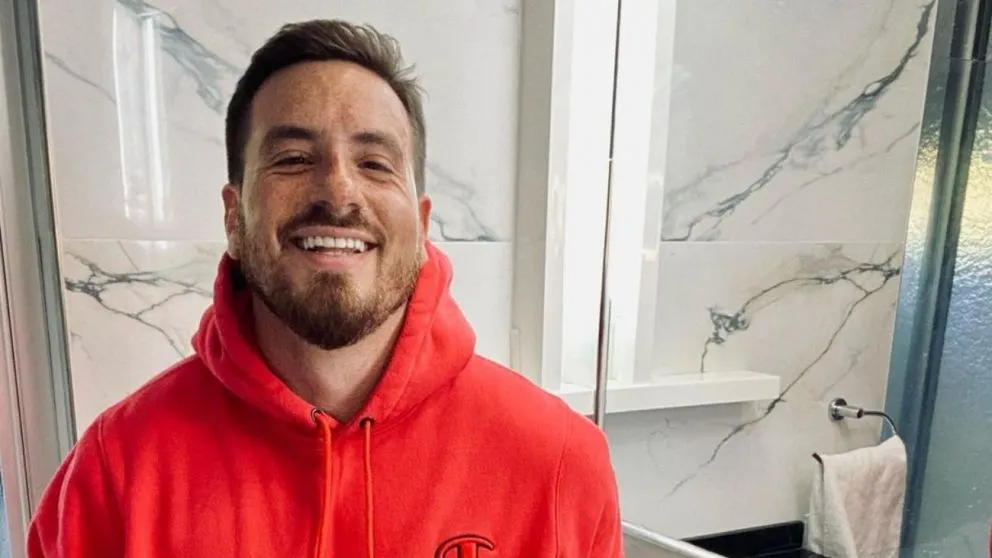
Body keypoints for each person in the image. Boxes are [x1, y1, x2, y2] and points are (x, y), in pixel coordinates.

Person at [27, 19, 623, 557]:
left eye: (375, 163)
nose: (338, 192)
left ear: (421, 225)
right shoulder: (114, 474)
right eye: (292, 158)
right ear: (234, 217)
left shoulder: (559, 463)